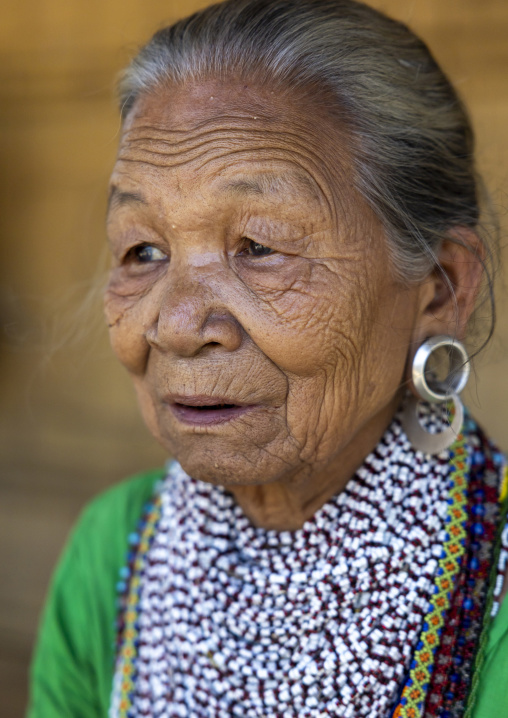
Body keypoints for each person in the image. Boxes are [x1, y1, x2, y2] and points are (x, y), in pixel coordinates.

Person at [27, 1, 508, 716]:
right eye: (142, 250)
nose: (178, 325)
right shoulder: (111, 552)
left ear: (439, 288)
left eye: (258, 247)